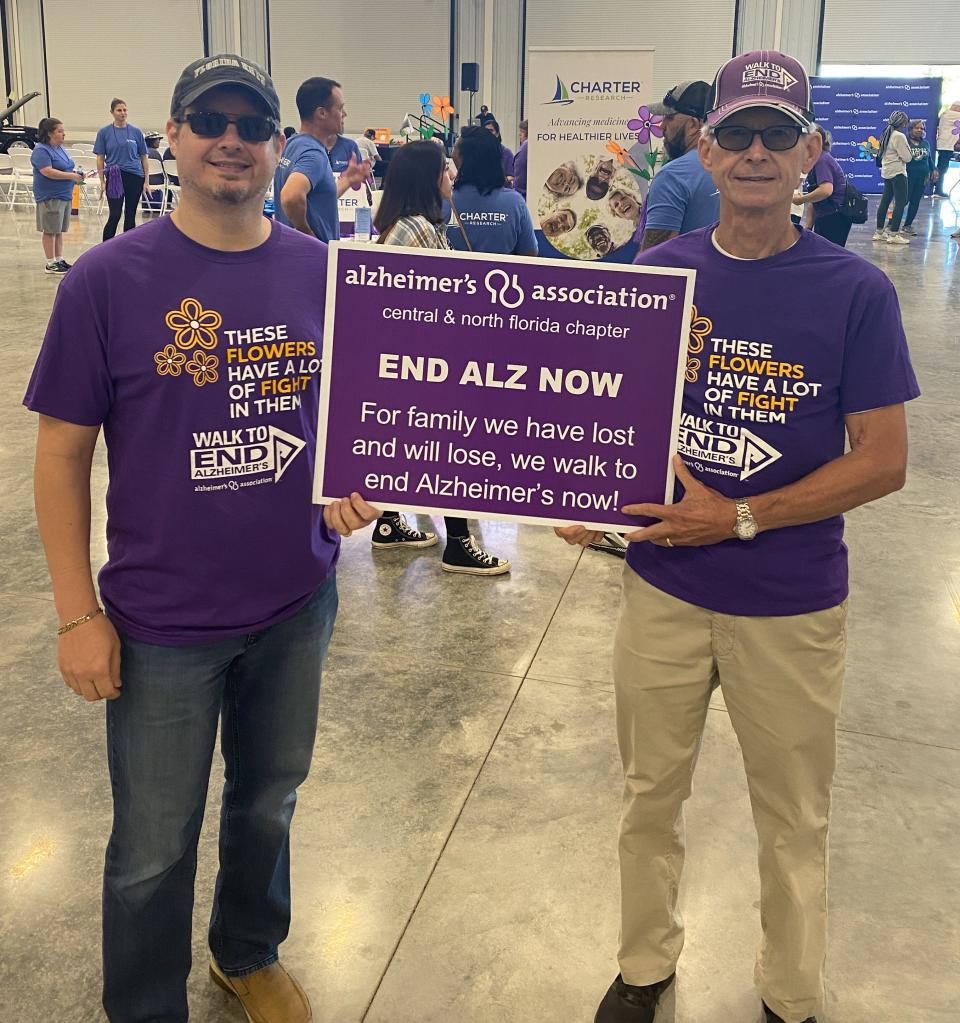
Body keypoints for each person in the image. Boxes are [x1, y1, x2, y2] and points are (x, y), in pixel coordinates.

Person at [559, 49, 919, 1023]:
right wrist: (580, 485)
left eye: (776, 136)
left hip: (793, 602)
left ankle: (791, 996)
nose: (756, 153)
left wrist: (743, 515)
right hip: (664, 590)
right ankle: (644, 969)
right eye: (737, 135)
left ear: (811, 150)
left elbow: (883, 458)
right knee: (646, 799)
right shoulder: (658, 272)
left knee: (793, 818)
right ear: (705, 151)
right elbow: (610, 416)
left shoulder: (855, 293)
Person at [24, 53, 380, 1023]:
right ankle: (143, 1007)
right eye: (208, 119)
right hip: (161, 621)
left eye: (251, 122)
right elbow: (61, 458)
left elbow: (356, 416)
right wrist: (76, 616)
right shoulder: (104, 281)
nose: (231, 137)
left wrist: (358, 481)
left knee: (270, 801)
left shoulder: (325, 273)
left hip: (295, 602)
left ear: (277, 142)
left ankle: (247, 951)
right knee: (153, 843)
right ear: (171, 137)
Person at [371, 140, 511, 576]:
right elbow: (384, 298)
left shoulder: (421, 225)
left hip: (421, 361)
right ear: (428, 178)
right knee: (451, 452)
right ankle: (459, 545)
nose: (452, 176)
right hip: (421, 363)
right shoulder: (412, 228)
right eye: (445, 171)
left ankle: (390, 522)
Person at [275, 76, 371, 242]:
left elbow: (318, 200)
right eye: (340, 108)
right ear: (322, 113)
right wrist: (306, 234)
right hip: (311, 258)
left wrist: (347, 180)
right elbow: (290, 197)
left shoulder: (292, 145)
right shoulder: (314, 154)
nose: (344, 114)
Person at [640, 80, 719, 252]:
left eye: (669, 117)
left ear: (693, 125)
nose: (661, 126)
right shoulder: (733, 171)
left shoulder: (673, 176)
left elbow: (653, 262)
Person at [447, 125, 537, 255]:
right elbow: (530, 254)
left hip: (455, 275)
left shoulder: (446, 202)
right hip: (502, 275)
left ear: (460, 159)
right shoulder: (515, 203)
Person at [30, 117, 84, 275]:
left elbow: (66, 167)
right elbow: (47, 171)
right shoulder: (41, 150)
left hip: (64, 194)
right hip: (50, 195)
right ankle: (50, 262)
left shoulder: (60, 148)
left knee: (58, 229)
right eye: (59, 131)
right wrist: (70, 177)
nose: (63, 134)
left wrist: (76, 175)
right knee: (50, 229)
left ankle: (59, 258)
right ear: (49, 133)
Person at [94, 98, 149, 241]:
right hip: (114, 176)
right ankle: (105, 249)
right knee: (115, 214)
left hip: (135, 176)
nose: (122, 113)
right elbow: (100, 158)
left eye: (125, 110)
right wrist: (102, 181)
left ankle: (127, 248)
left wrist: (146, 181)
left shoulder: (136, 132)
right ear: (112, 112)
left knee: (130, 214)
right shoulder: (104, 132)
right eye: (119, 110)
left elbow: (144, 157)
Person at [792, 125, 851, 247]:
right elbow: (816, 197)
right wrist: (808, 226)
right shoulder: (818, 160)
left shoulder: (822, 160)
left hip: (834, 216)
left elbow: (825, 191)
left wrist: (800, 200)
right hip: (827, 213)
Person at [873, 110, 914, 244]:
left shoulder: (886, 133)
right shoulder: (899, 136)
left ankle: (879, 232)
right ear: (903, 123)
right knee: (901, 203)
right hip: (898, 173)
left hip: (887, 172)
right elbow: (907, 158)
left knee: (885, 201)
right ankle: (894, 234)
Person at [901, 119, 936, 235]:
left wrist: (933, 169)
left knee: (915, 202)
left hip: (922, 178)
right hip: (907, 177)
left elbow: (929, 159)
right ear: (910, 129)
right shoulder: (904, 142)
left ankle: (907, 225)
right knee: (902, 201)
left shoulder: (925, 143)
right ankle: (892, 224)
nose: (920, 130)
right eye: (917, 128)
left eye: (922, 128)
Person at [933, 100, 960, 198]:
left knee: (942, 168)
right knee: (942, 168)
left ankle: (937, 187)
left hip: (946, 144)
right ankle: (938, 190)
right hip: (946, 145)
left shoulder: (946, 114)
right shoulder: (952, 114)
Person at [514, 119, 528, 198]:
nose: (519, 135)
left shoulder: (525, 145)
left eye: (522, 132)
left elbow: (520, 169)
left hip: (522, 193)